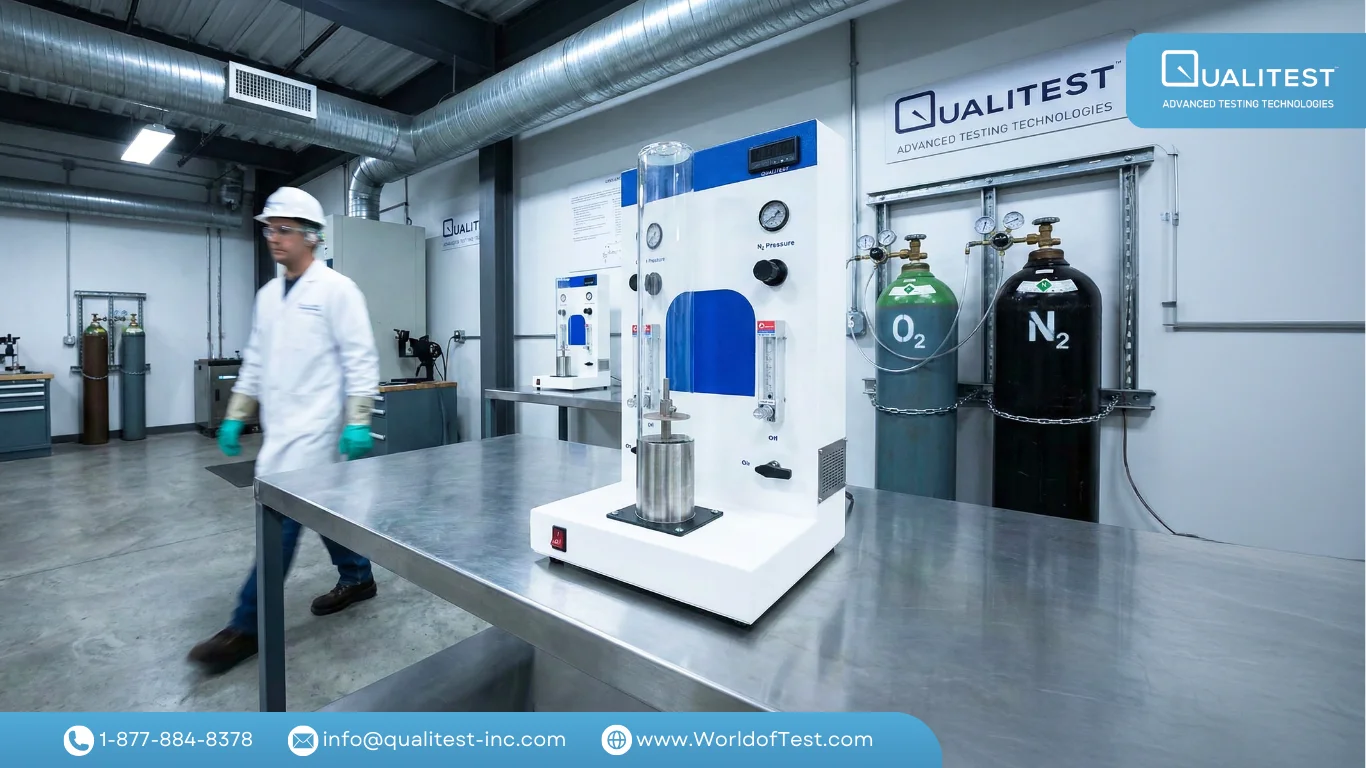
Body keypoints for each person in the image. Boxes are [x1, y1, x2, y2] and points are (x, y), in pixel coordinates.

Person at [188, 187, 381, 674]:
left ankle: (245, 627)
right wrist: (236, 413)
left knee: (279, 524)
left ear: (311, 236)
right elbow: (255, 361)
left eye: (284, 229)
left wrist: (358, 421)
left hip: (319, 433)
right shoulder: (269, 296)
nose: (273, 237)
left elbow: (361, 360)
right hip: (280, 433)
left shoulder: (338, 290)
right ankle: (358, 577)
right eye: (269, 229)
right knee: (325, 513)